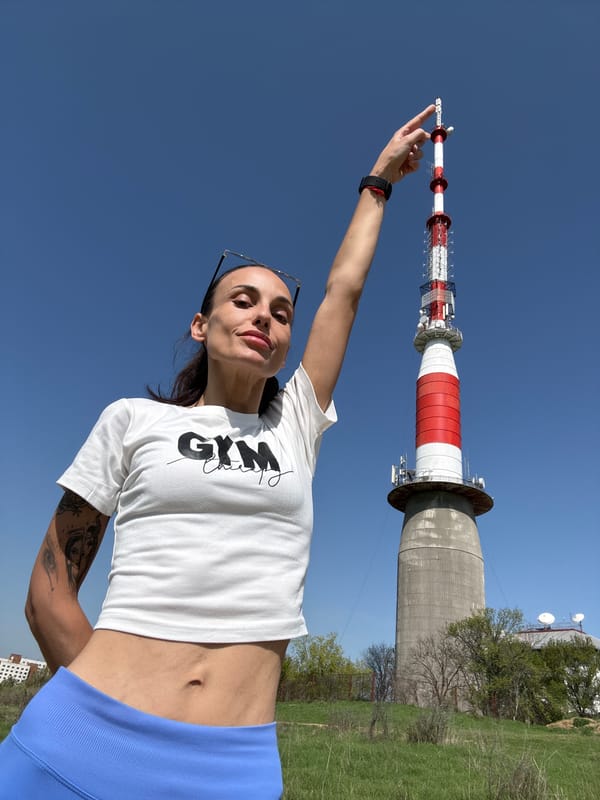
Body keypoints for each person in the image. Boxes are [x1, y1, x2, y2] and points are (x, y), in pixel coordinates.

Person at [0, 103, 435, 799]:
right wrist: (102, 716)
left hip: (230, 768)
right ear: (201, 324)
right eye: (242, 300)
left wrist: (378, 182)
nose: (264, 314)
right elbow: (48, 591)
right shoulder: (131, 421)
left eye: (279, 311)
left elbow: (342, 292)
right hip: (76, 742)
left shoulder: (294, 423)